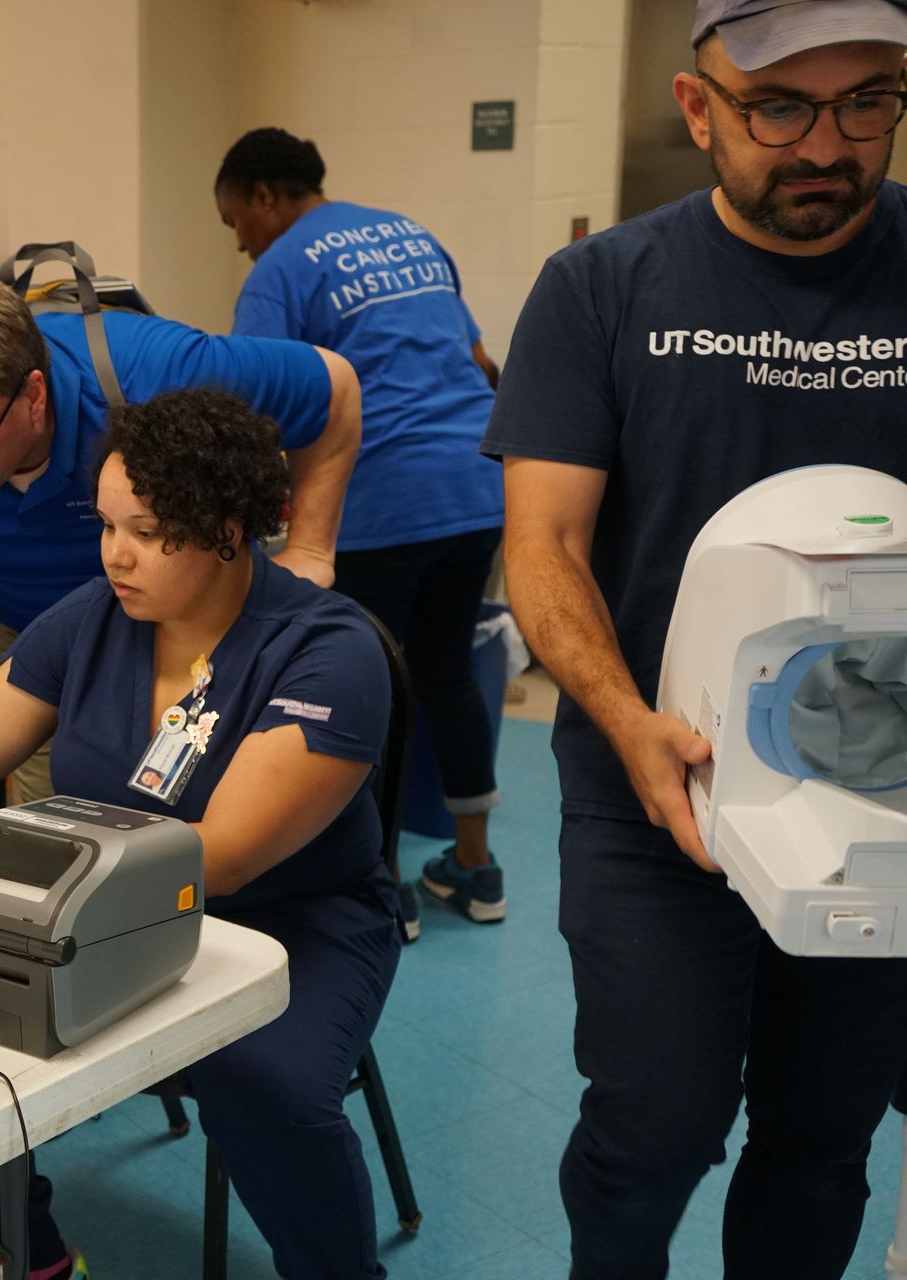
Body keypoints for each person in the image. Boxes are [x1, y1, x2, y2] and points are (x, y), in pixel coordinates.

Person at [483, 2, 907, 1275]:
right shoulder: (603, 287)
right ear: (697, 108)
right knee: (655, 1126)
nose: (825, 143)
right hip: (656, 775)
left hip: (880, 782)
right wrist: (625, 722)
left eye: (868, 101)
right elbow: (545, 547)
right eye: (779, 107)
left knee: (826, 1133)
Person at [0, 388, 398, 1280]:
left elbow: (218, 857)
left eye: (148, 532)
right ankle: (28, 1256)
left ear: (230, 529)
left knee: (265, 1085)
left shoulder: (325, 650)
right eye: (108, 525)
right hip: (91, 908)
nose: (117, 554)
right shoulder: (94, 618)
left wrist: (29, 889)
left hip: (288, 925)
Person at [0, 272, 362, 805]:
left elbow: (336, 386)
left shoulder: (159, 374)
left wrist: (311, 548)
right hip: (35, 625)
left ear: (34, 396)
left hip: (188, 625)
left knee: (199, 797)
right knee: (55, 808)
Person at [215, 127, 508, 933]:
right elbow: (479, 360)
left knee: (363, 683)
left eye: (235, 219)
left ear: (265, 197)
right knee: (446, 671)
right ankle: (477, 869)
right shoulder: (411, 233)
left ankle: (386, 883)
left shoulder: (279, 269)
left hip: (384, 498)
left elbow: (258, 402)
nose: (239, 242)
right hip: (481, 483)